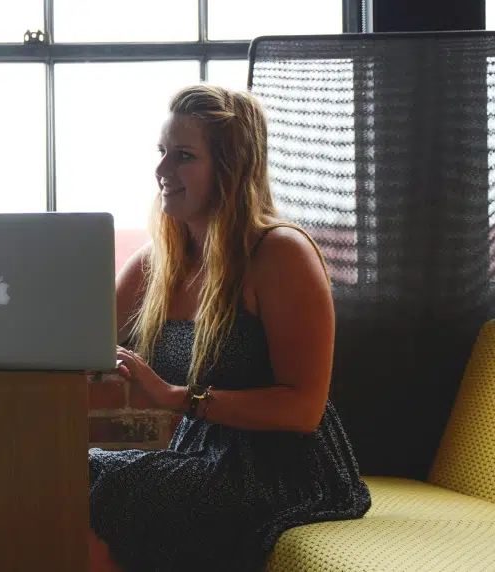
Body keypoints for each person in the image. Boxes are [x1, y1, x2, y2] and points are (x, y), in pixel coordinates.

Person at [88, 84, 372, 572]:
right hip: (200, 458)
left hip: (286, 471)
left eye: (183, 156)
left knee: (97, 491)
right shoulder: (158, 265)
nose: (161, 171)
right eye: (161, 153)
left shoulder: (280, 254)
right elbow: (79, 346)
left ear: (230, 169)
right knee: (69, 478)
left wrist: (177, 397)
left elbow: (304, 408)